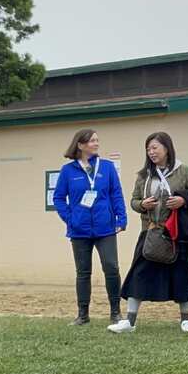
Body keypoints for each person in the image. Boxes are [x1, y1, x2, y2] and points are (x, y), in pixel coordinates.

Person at [108, 132, 188, 334]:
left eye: (155, 148)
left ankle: (186, 320)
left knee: (181, 275)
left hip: (176, 233)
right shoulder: (144, 175)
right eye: (148, 149)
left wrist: (183, 201)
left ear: (167, 148)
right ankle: (130, 321)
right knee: (139, 274)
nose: (151, 152)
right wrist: (142, 204)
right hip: (150, 232)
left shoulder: (183, 170)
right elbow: (134, 201)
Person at [53, 128, 127, 326]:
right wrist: (70, 218)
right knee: (83, 272)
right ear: (80, 145)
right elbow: (58, 198)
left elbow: (116, 194)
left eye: (97, 140)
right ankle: (83, 315)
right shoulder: (68, 171)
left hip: (105, 228)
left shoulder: (107, 167)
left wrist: (121, 219)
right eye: (92, 141)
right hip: (79, 230)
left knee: (111, 267)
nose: (96, 144)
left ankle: (115, 312)